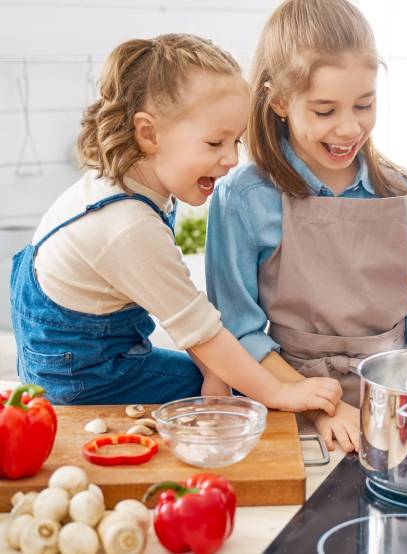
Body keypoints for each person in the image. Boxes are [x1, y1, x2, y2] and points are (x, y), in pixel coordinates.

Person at [10, 33, 341, 415]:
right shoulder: (126, 226)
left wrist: (214, 372)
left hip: (77, 359)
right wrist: (280, 394)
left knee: (225, 378)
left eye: (237, 142)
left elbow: (183, 311)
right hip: (87, 378)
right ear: (149, 133)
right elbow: (201, 332)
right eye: (216, 143)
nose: (233, 159)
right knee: (246, 394)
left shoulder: (127, 183)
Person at [205, 0, 407, 452]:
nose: (349, 127)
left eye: (364, 104)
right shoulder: (243, 197)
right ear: (279, 100)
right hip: (287, 401)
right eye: (324, 111)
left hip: (400, 404)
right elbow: (236, 332)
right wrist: (320, 405)